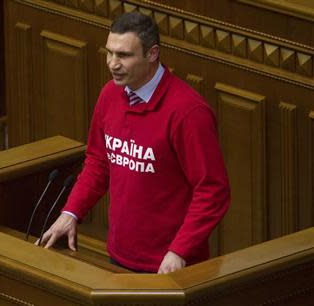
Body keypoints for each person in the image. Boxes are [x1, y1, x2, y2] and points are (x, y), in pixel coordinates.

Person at [37, 12, 230, 274]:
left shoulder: (188, 112)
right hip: (119, 257)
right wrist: (70, 212)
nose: (112, 64)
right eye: (109, 53)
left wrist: (179, 251)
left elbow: (212, 190)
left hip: (171, 266)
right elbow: (98, 163)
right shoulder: (110, 95)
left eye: (124, 55)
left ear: (152, 54)